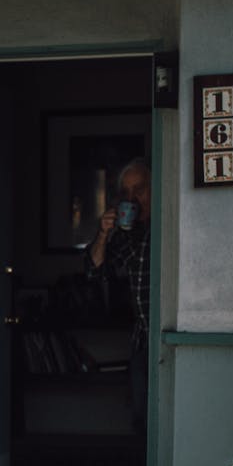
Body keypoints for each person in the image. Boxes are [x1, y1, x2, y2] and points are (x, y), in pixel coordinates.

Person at [86, 158, 151, 434]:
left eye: (139, 190)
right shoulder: (126, 236)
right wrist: (103, 233)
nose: (132, 199)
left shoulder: (169, 226)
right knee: (141, 415)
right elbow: (95, 270)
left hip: (165, 335)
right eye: (125, 193)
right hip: (141, 338)